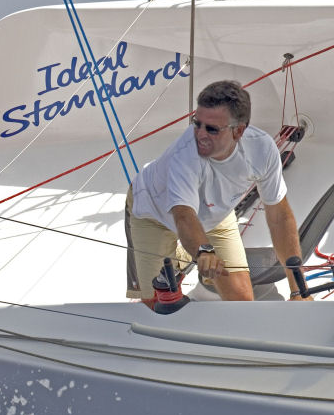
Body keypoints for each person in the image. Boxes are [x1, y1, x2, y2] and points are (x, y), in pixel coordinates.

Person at [124, 80, 308, 308]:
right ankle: (184, 255)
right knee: (154, 303)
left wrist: (299, 290)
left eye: (211, 129)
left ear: (239, 130)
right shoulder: (186, 154)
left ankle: (181, 256)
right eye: (197, 123)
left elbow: (279, 217)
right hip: (154, 213)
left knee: (241, 301)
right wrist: (203, 251)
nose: (200, 134)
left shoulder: (262, 149)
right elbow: (183, 216)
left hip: (214, 213)